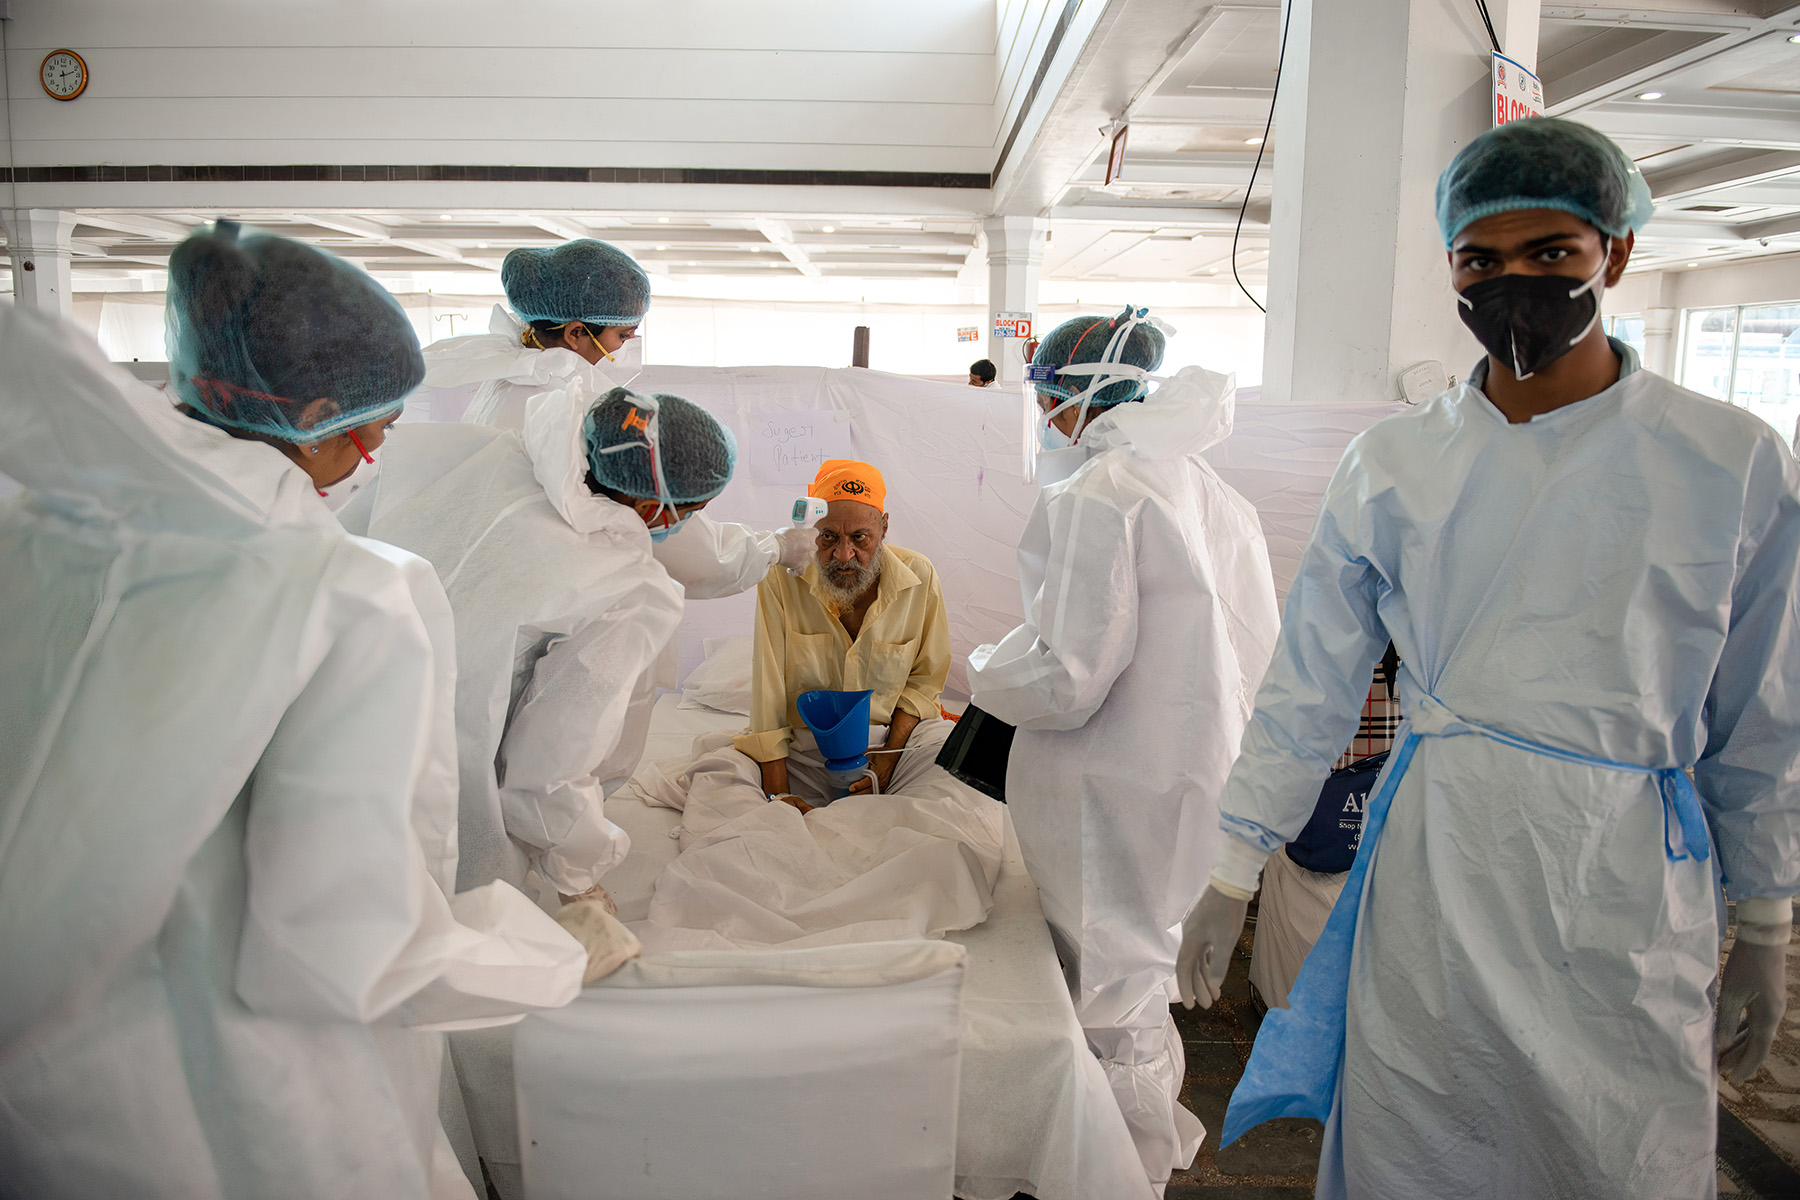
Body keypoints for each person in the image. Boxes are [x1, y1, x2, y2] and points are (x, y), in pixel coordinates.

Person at [1177, 117, 1800, 1199]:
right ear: (1451, 270)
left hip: (1623, 875)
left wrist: (1770, 912)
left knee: (1617, 1149)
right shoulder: (1398, 462)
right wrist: (1237, 859)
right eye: (1483, 261)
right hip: (1443, 859)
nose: (1516, 285)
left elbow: (1763, 706)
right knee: (1420, 1130)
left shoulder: (1724, 459)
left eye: (1551, 254)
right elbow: (1309, 681)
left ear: (1617, 252)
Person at [0, 225, 604, 1200]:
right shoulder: (338, 595)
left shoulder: (31, 529)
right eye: (370, 426)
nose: (374, 454)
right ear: (318, 414)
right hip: (225, 1087)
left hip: (44, 1099)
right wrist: (535, 956)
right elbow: (337, 946)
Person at [967, 308, 1280, 1194]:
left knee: (1112, 996)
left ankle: (1123, 1172)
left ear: (1087, 395)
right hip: (1189, 775)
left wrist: (988, 670)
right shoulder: (1206, 489)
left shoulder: (1103, 495)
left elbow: (1068, 678)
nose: (1046, 416)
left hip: (1115, 787)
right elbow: (1256, 642)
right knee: (1139, 979)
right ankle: (1129, 1153)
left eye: (1049, 396)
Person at [424, 236, 804, 598]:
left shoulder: (510, 378)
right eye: (623, 335)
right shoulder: (575, 410)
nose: (626, 347)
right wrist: (775, 548)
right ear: (576, 333)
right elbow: (669, 540)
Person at [735, 459, 954, 809]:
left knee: (956, 778)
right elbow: (769, 690)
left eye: (859, 538)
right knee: (721, 778)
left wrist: (887, 761)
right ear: (811, 532)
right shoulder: (781, 578)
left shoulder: (920, 577)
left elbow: (926, 682)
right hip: (803, 750)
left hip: (893, 742)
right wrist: (778, 795)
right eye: (828, 537)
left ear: (883, 528)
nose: (843, 555)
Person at [433, 238, 649, 432]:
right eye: (623, 335)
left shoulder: (519, 376)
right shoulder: (556, 406)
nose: (631, 344)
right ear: (574, 333)